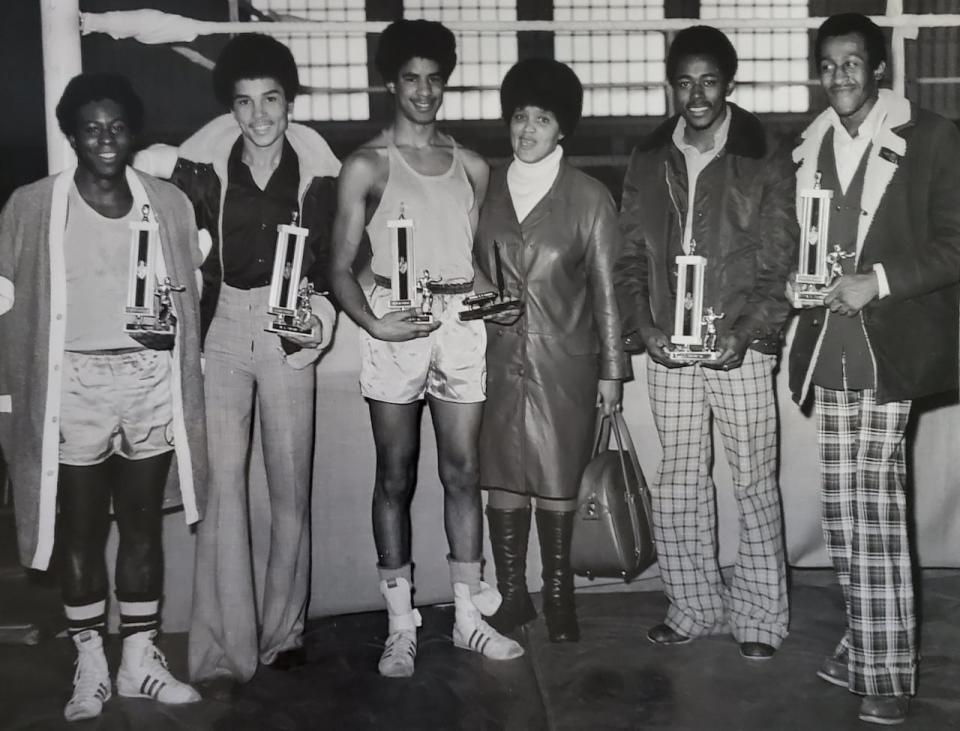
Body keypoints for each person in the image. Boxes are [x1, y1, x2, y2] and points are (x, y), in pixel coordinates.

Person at [135, 33, 341, 683]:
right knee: (221, 487)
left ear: (290, 102)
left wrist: (318, 317)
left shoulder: (320, 171)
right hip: (222, 328)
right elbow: (160, 233)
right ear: (231, 107)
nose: (258, 116)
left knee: (290, 487)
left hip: (287, 331)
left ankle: (284, 632)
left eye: (271, 99)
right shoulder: (200, 166)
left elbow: (336, 261)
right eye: (245, 102)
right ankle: (224, 644)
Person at [0, 73, 206, 721]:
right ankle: (90, 658)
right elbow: (5, 303)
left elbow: (195, 293)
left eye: (117, 126)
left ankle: (138, 659)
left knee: (143, 523)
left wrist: (176, 330)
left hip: (149, 381)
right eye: (91, 127)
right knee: (82, 527)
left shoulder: (168, 203)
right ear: (70, 134)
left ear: (134, 131)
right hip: (75, 383)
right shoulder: (33, 205)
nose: (105, 139)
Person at [330, 19, 523, 677]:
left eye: (433, 79)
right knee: (396, 473)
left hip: (459, 323)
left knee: (464, 471)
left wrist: (504, 297)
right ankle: (400, 622)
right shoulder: (366, 163)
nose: (422, 91)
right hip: (393, 316)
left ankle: (469, 615)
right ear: (391, 82)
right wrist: (374, 325)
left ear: (446, 83)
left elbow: (474, 263)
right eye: (410, 78)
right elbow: (336, 268)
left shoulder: (472, 164)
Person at [787, 13, 960, 725]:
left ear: (879, 68)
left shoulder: (935, 136)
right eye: (828, 66)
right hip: (830, 344)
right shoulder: (810, 145)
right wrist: (796, 285)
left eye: (852, 64)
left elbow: (956, 244)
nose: (839, 78)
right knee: (843, 509)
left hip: (891, 343)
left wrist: (878, 280)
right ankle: (863, 642)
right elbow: (806, 243)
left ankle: (888, 672)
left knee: (876, 506)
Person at [614, 26, 796, 660]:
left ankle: (760, 616)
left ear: (729, 83)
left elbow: (780, 261)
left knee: (752, 480)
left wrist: (747, 334)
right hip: (671, 348)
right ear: (673, 85)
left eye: (709, 80)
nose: (696, 93)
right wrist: (648, 328)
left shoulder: (765, 153)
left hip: (738, 346)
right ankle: (692, 606)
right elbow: (630, 255)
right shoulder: (647, 156)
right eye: (684, 81)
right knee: (680, 480)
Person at [477, 59, 626, 643]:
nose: (528, 129)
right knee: (503, 472)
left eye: (542, 119)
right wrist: (484, 299)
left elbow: (609, 292)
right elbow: (463, 269)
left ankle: (559, 595)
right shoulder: (483, 188)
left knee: (559, 476)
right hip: (493, 358)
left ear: (563, 128)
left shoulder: (589, 197)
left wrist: (613, 371)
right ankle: (514, 595)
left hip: (566, 361)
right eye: (519, 117)